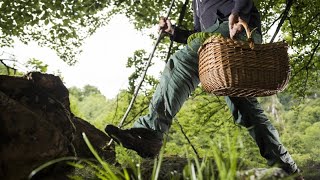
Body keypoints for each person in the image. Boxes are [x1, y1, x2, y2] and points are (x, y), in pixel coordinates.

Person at [105, 0, 303, 178]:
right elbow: (198, 35)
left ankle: (150, 132)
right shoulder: (196, 3)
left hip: (236, 29)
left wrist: (239, 13)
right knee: (247, 110)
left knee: (181, 62)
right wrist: (174, 32)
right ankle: (287, 167)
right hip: (217, 43)